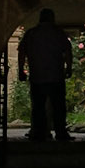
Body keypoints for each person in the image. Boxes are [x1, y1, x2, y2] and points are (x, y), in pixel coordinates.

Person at [17, 8, 73, 143]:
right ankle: (60, 132)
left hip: (37, 75)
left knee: (38, 106)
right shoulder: (58, 33)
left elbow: (22, 52)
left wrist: (21, 70)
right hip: (56, 75)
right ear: (52, 18)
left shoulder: (31, 34)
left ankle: (39, 132)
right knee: (58, 105)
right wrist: (68, 68)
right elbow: (67, 51)